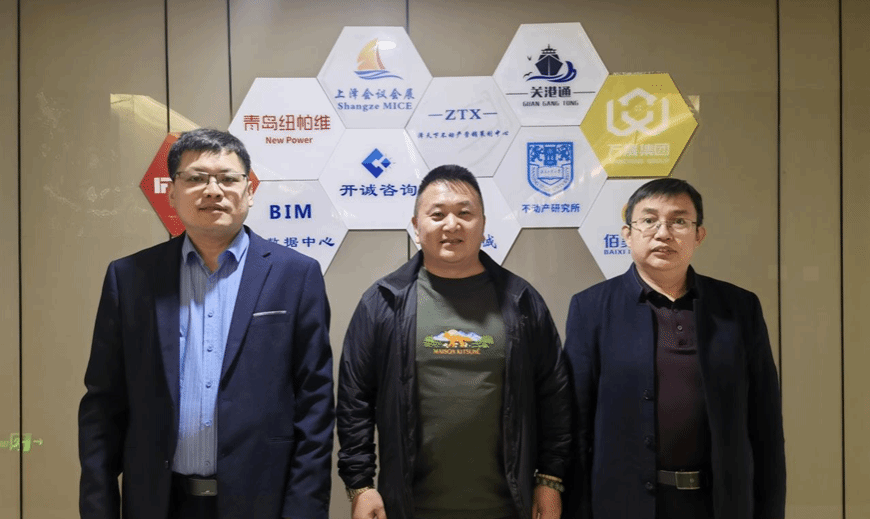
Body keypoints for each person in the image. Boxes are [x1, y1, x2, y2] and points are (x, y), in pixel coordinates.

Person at [78, 129, 334, 519]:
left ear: (249, 191)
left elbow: (315, 405)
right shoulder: (130, 278)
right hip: (159, 503)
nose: (213, 191)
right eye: (196, 178)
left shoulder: (296, 276)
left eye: (228, 179)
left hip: (261, 503)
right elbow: (103, 405)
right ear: (172, 193)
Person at [336, 164, 572, 519]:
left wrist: (550, 478)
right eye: (437, 215)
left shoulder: (521, 300)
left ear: (483, 224)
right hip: (408, 507)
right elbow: (355, 399)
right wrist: (360, 485)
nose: (451, 225)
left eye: (465, 213)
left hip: (509, 506)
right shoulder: (383, 302)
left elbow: (554, 394)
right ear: (416, 227)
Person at [563, 178, 785, 519]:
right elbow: (576, 425)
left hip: (720, 505)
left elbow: (765, 425)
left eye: (679, 221)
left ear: (699, 235)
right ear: (627, 234)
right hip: (623, 505)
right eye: (649, 220)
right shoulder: (591, 308)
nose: (663, 233)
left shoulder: (740, 308)